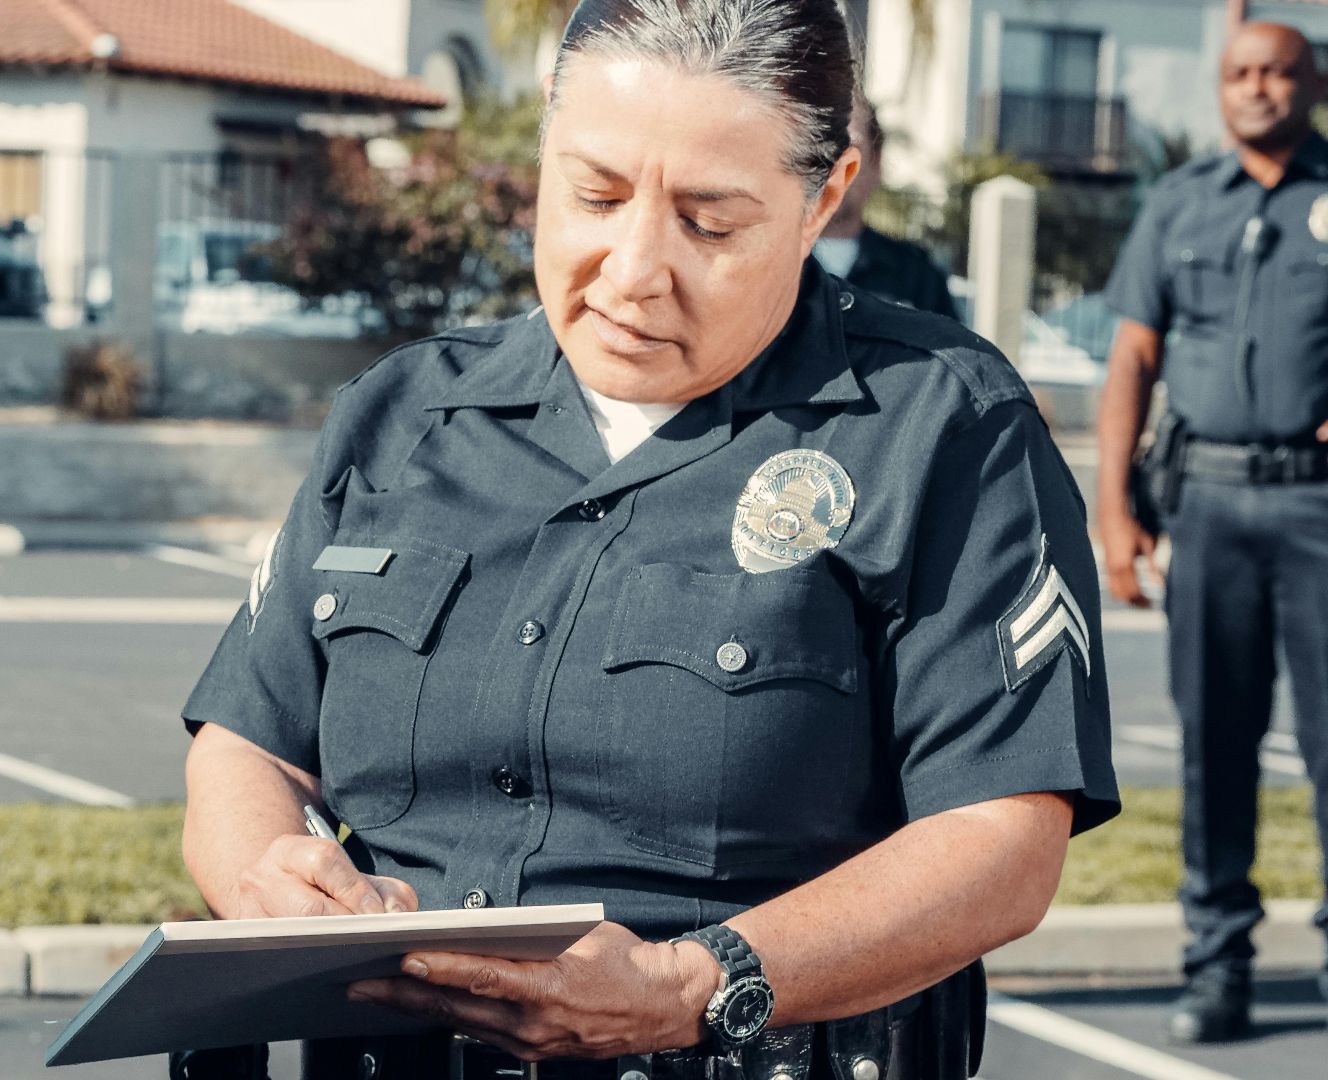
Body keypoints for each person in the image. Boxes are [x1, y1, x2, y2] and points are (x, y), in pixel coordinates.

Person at [179, 1, 1117, 1076]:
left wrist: (693, 984)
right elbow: (249, 740)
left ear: (826, 199)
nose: (633, 270)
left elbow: (1003, 836)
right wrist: (271, 872)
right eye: (595, 194)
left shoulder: (939, 429)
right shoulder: (400, 413)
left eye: (710, 222)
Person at [1099, 19, 1328, 1045]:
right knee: (1214, 749)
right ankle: (1216, 965)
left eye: (1278, 71)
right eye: (1241, 72)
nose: (1259, 88)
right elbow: (1132, 360)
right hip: (1209, 509)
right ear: (1220, 87)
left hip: (1321, 506)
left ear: (1311, 83)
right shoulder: (1182, 199)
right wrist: (1114, 512)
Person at [813, 97, 959, 320]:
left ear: (876, 163)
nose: (835, 165)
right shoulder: (764, 266)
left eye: (849, 149)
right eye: (822, 146)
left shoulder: (918, 277)